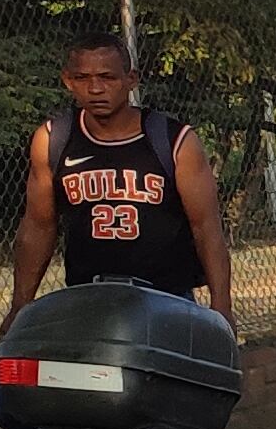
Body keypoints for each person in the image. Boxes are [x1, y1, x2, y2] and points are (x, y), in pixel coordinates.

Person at [12, 32, 232, 325]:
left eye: (107, 77)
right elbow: (38, 227)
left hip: (166, 299)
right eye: (83, 78)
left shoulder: (173, 140)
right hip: (88, 297)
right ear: (68, 80)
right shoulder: (53, 139)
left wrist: (222, 307)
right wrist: (19, 307)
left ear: (131, 80)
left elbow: (205, 226)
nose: (95, 88)